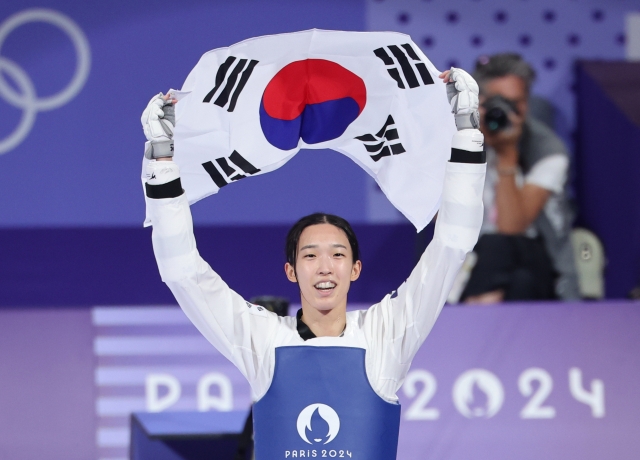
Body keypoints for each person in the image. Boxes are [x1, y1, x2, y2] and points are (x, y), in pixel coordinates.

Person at [141, 68, 486, 459]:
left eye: (338, 254)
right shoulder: (265, 340)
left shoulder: (385, 334)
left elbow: (452, 244)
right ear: (291, 271)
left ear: (356, 268)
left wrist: (467, 133)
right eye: (310, 255)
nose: (325, 267)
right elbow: (183, 272)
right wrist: (162, 159)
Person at [459, 53, 580, 303]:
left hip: (535, 255)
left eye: (517, 103)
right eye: (499, 102)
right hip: (472, 262)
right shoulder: (456, 140)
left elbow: (511, 227)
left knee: (498, 245)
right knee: (520, 283)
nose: (508, 111)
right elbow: (443, 220)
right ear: (478, 101)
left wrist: (507, 156)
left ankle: (471, 316)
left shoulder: (547, 151)